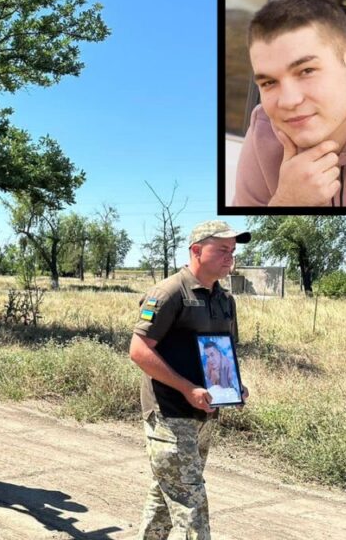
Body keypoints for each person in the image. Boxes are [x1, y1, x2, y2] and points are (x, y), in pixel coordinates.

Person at [129, 220, 252, 539]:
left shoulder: (224, 299)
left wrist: (234, 386)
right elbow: (139, 351)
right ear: (196, 251)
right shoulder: (169, 293)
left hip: (205, 414)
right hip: (170, 414)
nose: (230, 257)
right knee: (190, 503)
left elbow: (223, 351)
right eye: (223, 249)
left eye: (233, 251)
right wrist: (187, 388)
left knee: (167, 492)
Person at [233, 0, 346, 207]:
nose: (288, 101)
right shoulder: (264, 130)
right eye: (269, 83)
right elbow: (253, 237)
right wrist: (287, 202)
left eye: (306, 71)